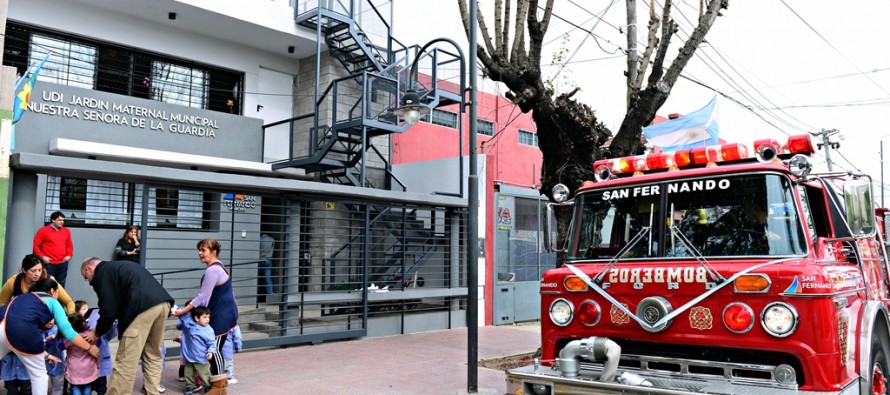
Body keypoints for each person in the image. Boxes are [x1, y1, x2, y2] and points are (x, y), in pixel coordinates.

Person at [80, 258, 173, 395]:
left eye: (86, 277)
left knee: (126, 362)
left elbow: (108, 311)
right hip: (163, 304)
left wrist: (97, 332)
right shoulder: (120, 266)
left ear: (89, 268)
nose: (88, 281)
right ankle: (152, 391)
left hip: (140, 310)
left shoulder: (102, 274)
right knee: (153, 355)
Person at [0, 278, 98, 395]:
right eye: (58, 293)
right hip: (23, 333)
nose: (58, 296)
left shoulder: (20, 298)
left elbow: (14, 336)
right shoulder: (52, 301)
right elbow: (68, 332)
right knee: (39, 375)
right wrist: (90, 348)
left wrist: (45, 355)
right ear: (52, 291)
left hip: (2, 326)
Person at [171, 239, 238, 394]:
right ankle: (216, 385)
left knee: (214, 351)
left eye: (203, 250)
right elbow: (207, 297)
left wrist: (183, 311)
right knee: (214, 350)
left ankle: (219, 388)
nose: (200, 253)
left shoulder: (212, 270)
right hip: (223, 313)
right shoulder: (219, 267)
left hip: (222, 315)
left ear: (213, 252)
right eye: (199, 250)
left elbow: (203, 296)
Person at [0, 254, 76, 314]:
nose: (37, 274)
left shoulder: (50, 280)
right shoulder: (14, 281)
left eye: (40, 270)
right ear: (24, 270)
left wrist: (70, 318)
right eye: (33, 271)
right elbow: (1, 302)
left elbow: (69, 302)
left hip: (47, 321)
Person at [176, 306, 215, 395]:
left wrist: (211, 351)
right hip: (189, 356)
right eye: (204, 317)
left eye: (208, 317)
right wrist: (179, 310)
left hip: (201, 357)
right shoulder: (189, 324)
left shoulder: (208, 330)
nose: (207, 319)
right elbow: (184, 317)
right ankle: (189, 387)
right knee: (188, 373)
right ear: (197, 318)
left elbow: (212, 342)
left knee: (204, 374)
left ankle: (207, 387)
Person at [33, 211, 74, 287]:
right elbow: (36, 246)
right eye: (60, 220)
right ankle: (45, 299)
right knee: (46, 284)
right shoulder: (43, 231)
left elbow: (69, 245)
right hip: (49, 264)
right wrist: (43, 257)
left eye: (63, 220)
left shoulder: (66, 231)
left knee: (61, 285)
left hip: (62, 263)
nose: (62, 222)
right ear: (53, 220)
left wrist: (69, 255)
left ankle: (58, 299)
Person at [85, 304, 117, 395]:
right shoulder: (82, 331)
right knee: (88, 386)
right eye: (83, 309)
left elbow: (112, 333)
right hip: (87, 366)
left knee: (101, 387)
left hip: (101, 362)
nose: (86, 310)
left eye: (86, 308)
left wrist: (113, 324)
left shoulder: (103, 333)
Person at [64, 314, 99, 395]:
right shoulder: (90, 335)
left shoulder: (70, 338)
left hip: (74, 368)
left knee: (75, 387)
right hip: (89, 367)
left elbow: (60, 346)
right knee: (87, 386)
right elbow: (98, 343)